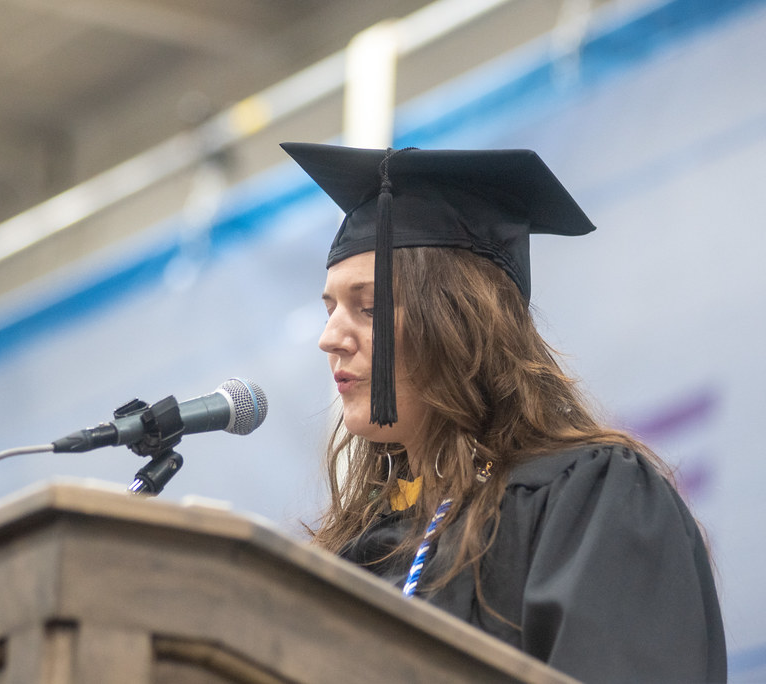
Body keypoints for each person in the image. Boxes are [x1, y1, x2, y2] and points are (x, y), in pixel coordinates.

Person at [282, 142, 726, 683]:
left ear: (464, 322)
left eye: (369, 306)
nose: (329, 338)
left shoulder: (585, 501)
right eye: (330, 310)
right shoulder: (358, 553)